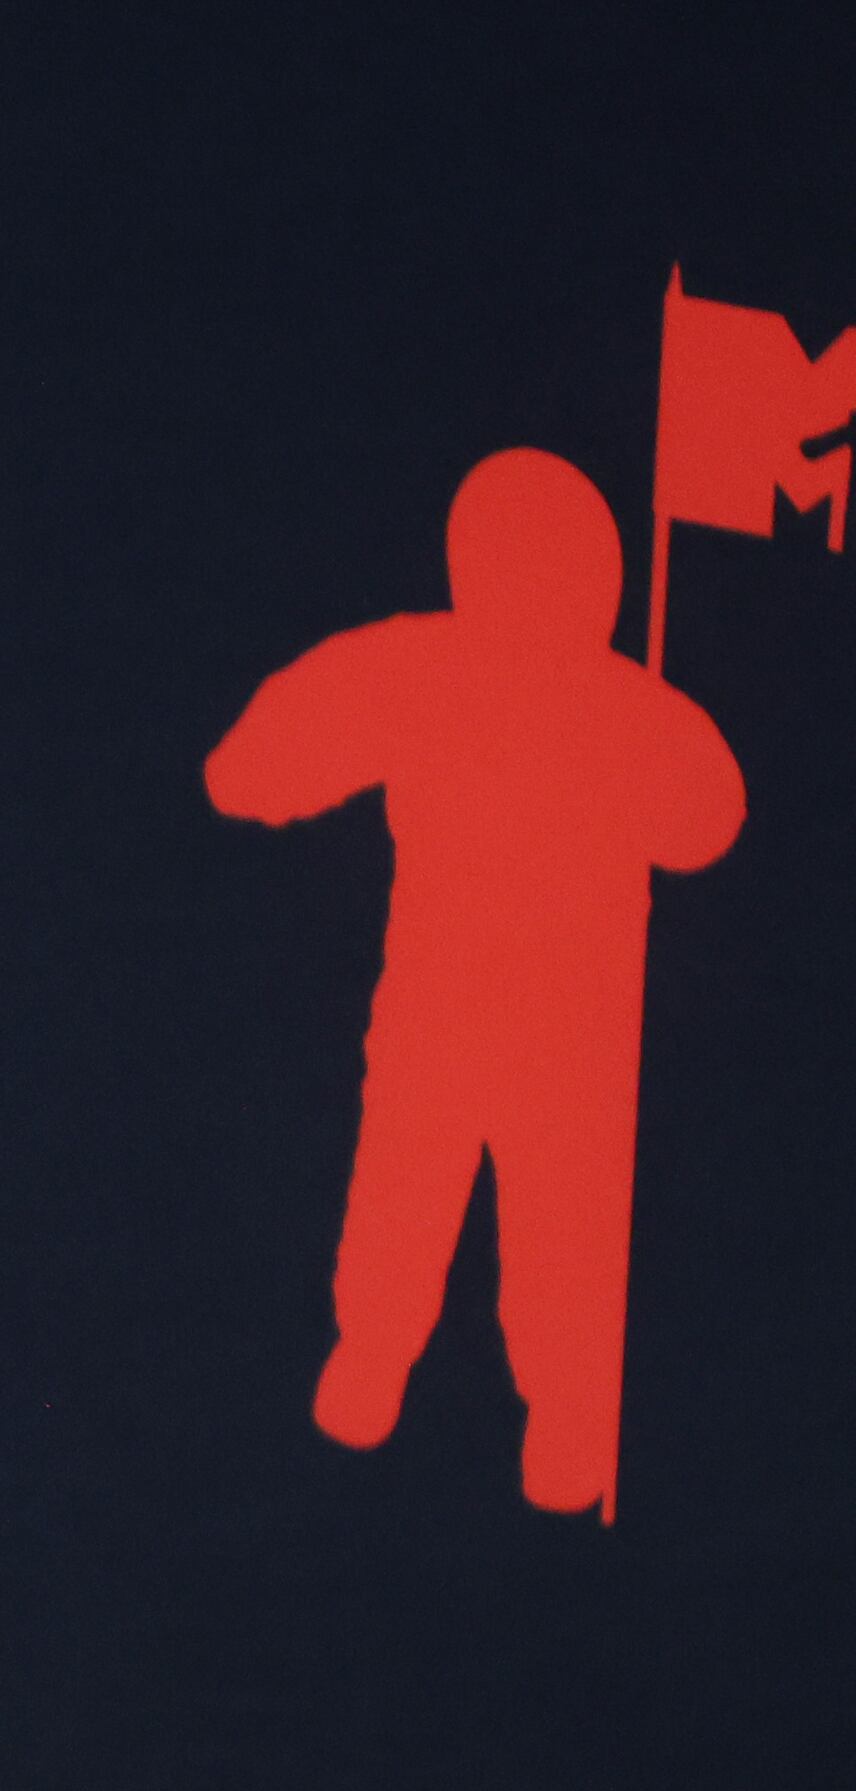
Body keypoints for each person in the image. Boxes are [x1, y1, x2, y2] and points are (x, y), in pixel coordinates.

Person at [204, 446, 745, 1521]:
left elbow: (706, 818)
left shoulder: (539, 691)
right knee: (455, 1205)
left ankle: (529, 1402)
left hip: (534, 1028)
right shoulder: (465, 678)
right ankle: (402, 1367)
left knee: (528, 1222)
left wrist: (659, 750)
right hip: (467, 1021)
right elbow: (261, 758)